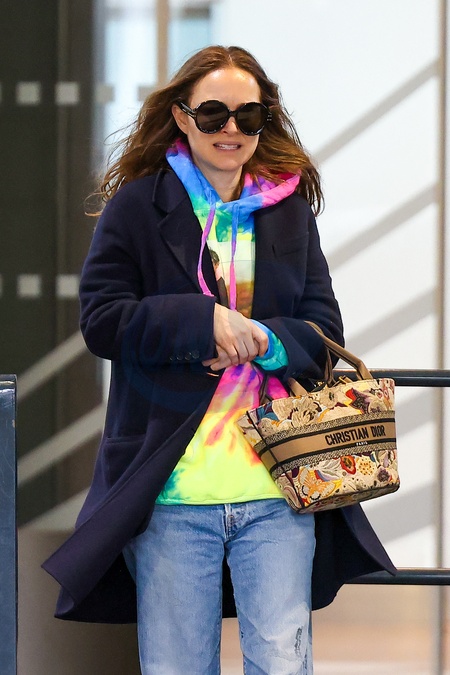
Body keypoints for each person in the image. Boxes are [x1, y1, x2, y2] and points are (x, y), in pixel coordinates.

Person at [43, 45, 395, 674]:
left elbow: (324, 329)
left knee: (282, 664)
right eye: (213, 114)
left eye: (248, 116)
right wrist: (200, 323)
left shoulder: (287, 210)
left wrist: (264, 339)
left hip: (278, 485)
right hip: (172, 490)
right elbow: (102, 320)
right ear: (182, 117)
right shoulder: (137, 206)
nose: (231, 128)